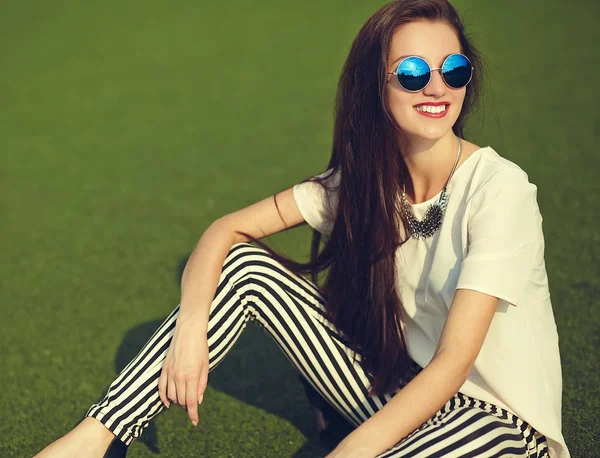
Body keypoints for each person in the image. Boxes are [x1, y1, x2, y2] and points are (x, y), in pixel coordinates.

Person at [34, 0, 570, 457]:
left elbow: (455, 363)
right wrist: (193, 324)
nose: (436, 87)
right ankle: (90, 439)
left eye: (453, 69)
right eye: (411, 73)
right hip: (403, 388)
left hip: (500, 426)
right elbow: (226, 231)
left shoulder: (501, 191)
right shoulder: (366, 182)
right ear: (376, 87)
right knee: (246, 266)